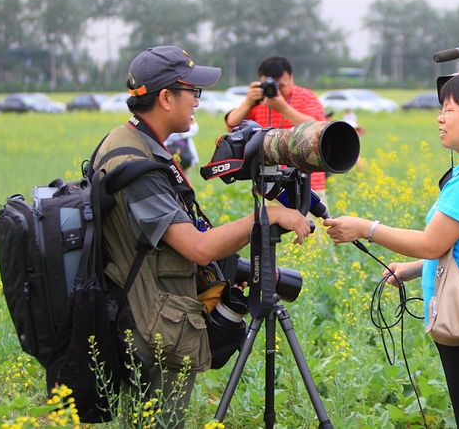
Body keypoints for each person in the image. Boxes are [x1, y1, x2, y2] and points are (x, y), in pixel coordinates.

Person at [92, 46, 311, 428]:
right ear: (165, 97)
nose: (197, 101)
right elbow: (198, 247)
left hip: (145, 313)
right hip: (153, 327)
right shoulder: (135, 162)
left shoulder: (135, 144)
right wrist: (270, 214)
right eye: (193, 91)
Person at [324, 73, 459, 428]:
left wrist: (366, 229)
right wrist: (413, 268)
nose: (440, 118)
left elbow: (433, 242)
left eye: (449, 109)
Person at [224, 55, 328, 201]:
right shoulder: (260, 101)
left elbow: (319, 129)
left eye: (280, 86)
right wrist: (248, 101)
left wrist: (283, 108)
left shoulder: (305, 97)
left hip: (308, 183)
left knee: (311, 224)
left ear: (291, 76)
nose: (276, 91)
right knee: (273, 223)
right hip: (271, 184)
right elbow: (231, 125)